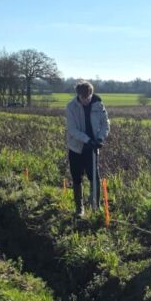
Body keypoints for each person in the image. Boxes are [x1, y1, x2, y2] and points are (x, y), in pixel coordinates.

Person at [65, 81, 110, 216]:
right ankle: (80, 209)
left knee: (94, 177)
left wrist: (100, 138)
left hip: (92, 148)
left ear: (91, 94)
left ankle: (95, 207)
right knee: (77, 177)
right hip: (76, 147)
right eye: (83, 98)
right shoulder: (71, 107)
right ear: (78, 95)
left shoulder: (99, 105)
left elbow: (105, 124)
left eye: (88, 98)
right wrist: (87, 140)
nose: (86, 100)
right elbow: (72, 129)